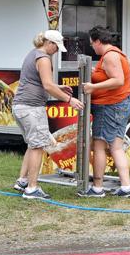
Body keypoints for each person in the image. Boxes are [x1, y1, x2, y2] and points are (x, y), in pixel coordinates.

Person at [12, 29, 83, 200]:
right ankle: (32, 188)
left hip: (20, 106)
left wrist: (58, 87)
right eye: (56, 47)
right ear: (49, 43)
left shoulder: (33, 54)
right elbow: (47, 86)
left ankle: (22, 181)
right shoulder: (43, 59)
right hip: (31, 108)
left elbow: (40, 82)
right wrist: (69, 100)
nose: (57, 51)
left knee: (32, 143)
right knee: (38, 146)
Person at [78, 25, 130, 198]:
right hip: (119, 104)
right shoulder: (115, 54)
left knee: (100, 146)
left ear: (97, 41)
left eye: (92, 43)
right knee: (117, 147)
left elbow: (118, 80)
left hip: (110, 107)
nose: (92, 47)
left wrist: (92, 86)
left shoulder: (109, 56)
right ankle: (126, 187)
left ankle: (97, 188)